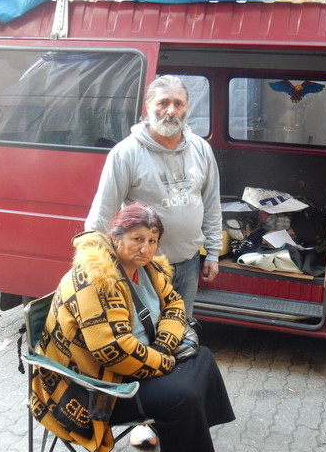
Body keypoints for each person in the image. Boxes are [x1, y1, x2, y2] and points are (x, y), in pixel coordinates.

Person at [30, 203, 241, 452]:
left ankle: (194, 450)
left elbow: (175, 306)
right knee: (181, 396)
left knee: (203, 358)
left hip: (143, 357)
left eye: (153, 240)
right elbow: (113, 352)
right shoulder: (96, 280)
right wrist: (165, 362)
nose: (147, 248)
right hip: (94, 385)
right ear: (116, 237)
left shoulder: (147, 268)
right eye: (138, 239)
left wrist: (163, 347)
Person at [85, 74, 223, 318]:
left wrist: (212, 252)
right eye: (163, 103)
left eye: (178, 104)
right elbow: (102, 213)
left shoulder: (201, 149)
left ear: (187, 109)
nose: (171, 110)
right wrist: (94, 266)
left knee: (181, 329)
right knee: (145, 335)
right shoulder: (125, 153)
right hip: (143, 266)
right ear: (148, 106)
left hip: (189, 263)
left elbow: (211, 203)